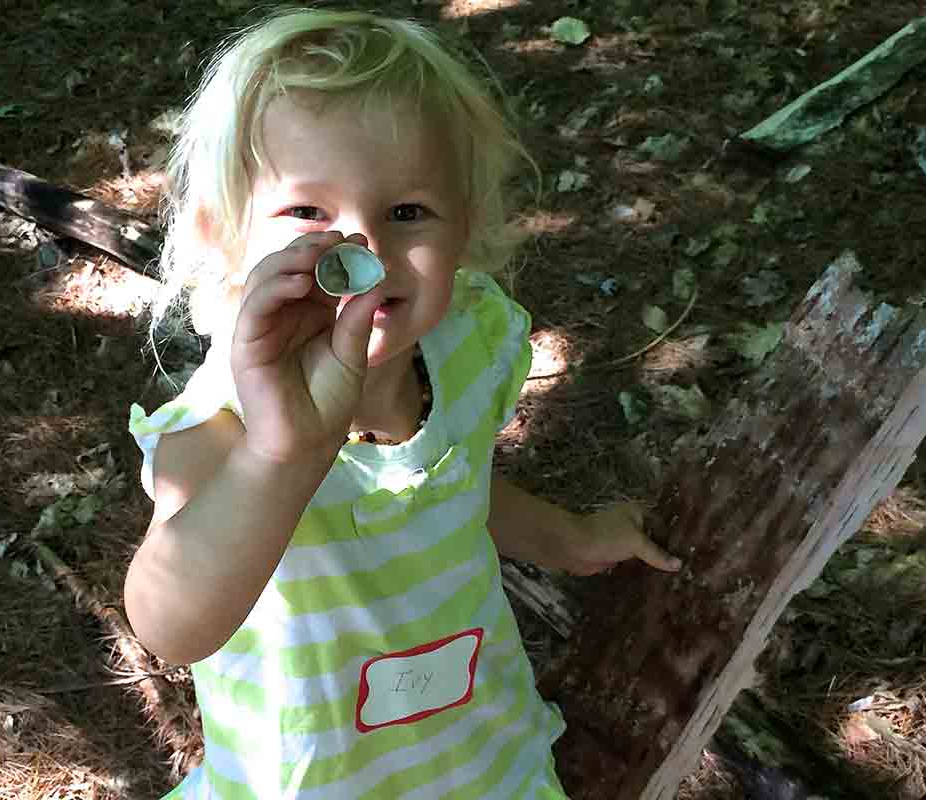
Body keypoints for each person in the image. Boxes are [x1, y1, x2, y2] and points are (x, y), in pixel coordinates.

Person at [125, 9, 681, 798]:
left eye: (408, 213)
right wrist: (282, 456)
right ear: (222, 236)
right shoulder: (221, 431)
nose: (364, 253)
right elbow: (170, 626)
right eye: (307, 213)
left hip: (482, 760)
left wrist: (570, 536)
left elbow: (456, 490)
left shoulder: (465, 348)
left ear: (465, 230)